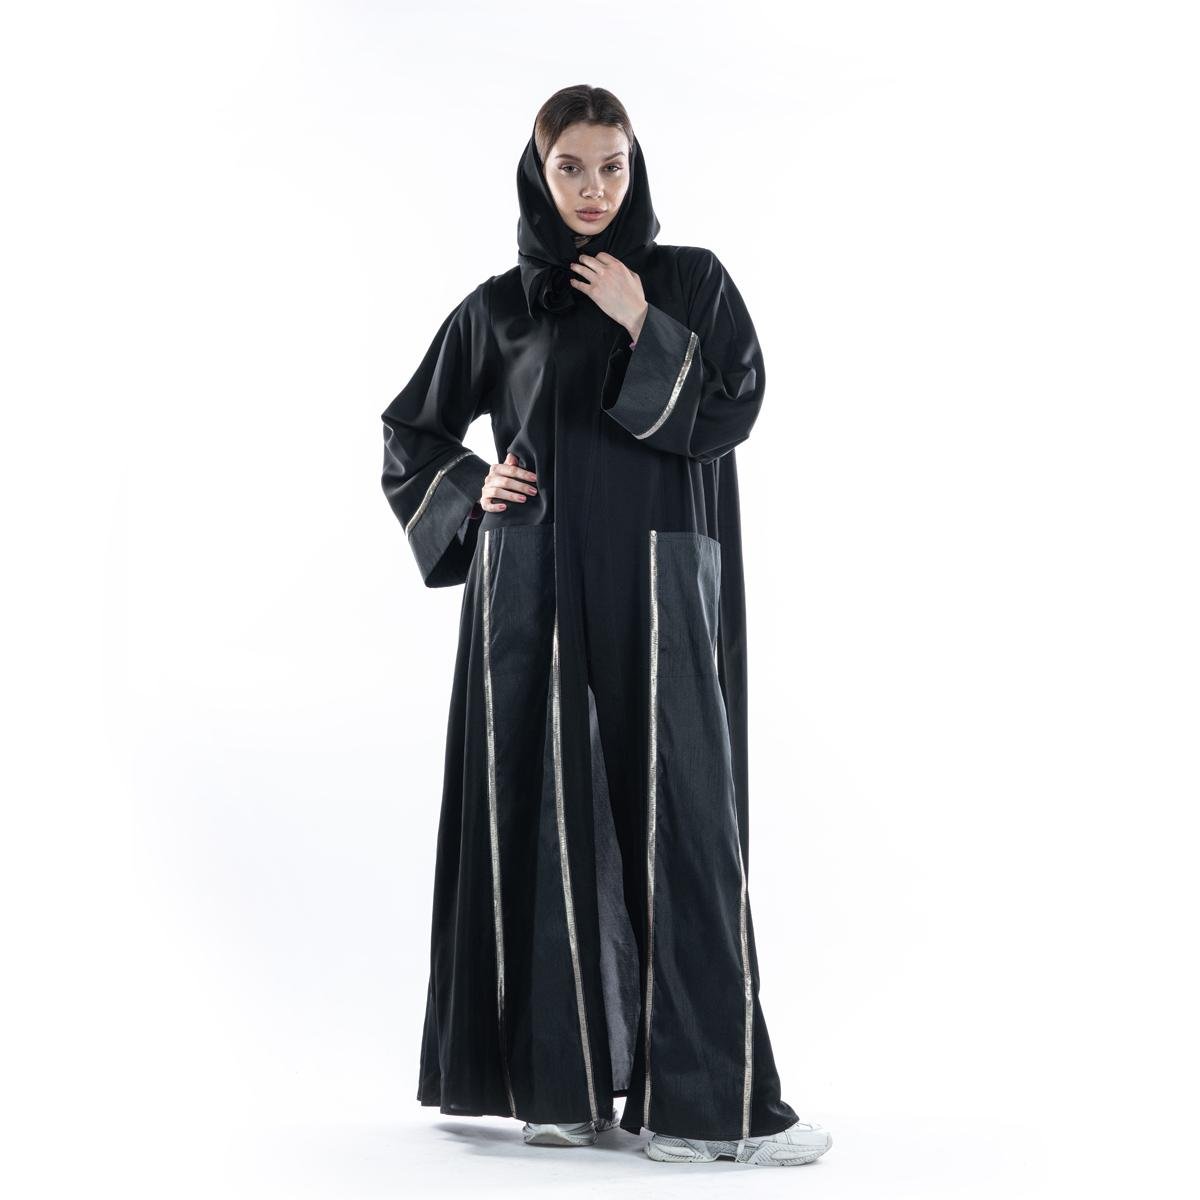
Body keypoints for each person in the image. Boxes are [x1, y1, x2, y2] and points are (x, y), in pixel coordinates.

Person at [379, 84, 833, 1169]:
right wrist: (472, 486)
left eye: (612, 165)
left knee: (684, 818)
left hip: (657, 584)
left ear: (637, 165)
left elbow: (735, 404)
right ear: (539, 173)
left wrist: (641, 320)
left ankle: (704, 1110)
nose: (594, 189)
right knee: (542, 809)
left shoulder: (688, 281)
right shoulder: (501, 307)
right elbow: (409, 432)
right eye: (571, 168)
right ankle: (560, 1089)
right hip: (531, 585)